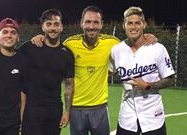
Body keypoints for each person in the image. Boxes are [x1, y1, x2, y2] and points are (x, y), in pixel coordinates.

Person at [31, 5, 157, 135]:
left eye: (96, 22)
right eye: (88, 22)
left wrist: (147, 36)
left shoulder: (112, 43)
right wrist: (41, 37)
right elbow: (54, 48)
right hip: (76, 110)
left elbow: (132, 44)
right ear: (81, 23)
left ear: (102, 24)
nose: (91, 26)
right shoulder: (70, 44)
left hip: (100, 109)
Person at [110, 6, 175, 135]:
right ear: (124, 25)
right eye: (130, 23)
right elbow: (107, 72)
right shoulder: (116, 50)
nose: (133, 27)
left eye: (137, 23)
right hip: (127, 117)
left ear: (144, 24)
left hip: (153, 116)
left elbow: (169, 80)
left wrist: (148, 85)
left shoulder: (157, 48)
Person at [17, 9, 75, 135]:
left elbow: (69, 86)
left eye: (56, 24)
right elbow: (10, 56)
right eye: (48, 24)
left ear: (61, 27)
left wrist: (67, 111)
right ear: (42, 27)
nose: (52, 28)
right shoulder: (30, 47)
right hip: (32, 110)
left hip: (54, 111)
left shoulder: (67, 54)